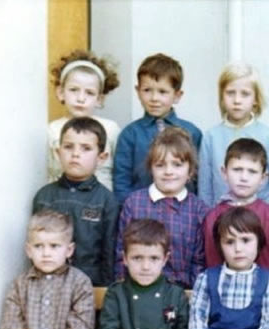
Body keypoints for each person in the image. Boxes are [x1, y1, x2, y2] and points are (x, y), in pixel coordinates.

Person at [115, 127, 208, 289]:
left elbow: (199, 262)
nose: (168, 172)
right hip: (138, 292)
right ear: (151, 168)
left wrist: (191, 295)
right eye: (160, 165)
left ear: (190, 171)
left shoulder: (199, 209)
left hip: (181, 294)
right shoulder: (134, 203)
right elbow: (120, 254)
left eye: (177, 165)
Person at [34, 117, 119, 286]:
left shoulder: (107, 200)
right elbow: (35, 246)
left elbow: (109, 252)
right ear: (58, 153)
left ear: (101, 157)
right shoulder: (44, 196)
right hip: (49, 284)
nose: (75, 154)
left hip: (90, 285)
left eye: (86, 148)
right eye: (68, 147)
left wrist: (105, 290)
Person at [114, 53, 202, 202]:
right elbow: (121, 180)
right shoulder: (130, 134)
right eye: (147, 90)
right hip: (141, 213)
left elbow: (198, 180)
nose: (154, 98)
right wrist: (129, 210)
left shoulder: (192, 132)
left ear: (177, 95)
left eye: (162, 92)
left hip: (182, 212)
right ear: (138, 91)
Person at [202, 138, 269, 279]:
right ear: (224, 173)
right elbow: (212, 264)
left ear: (263, 178)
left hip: (264, 294)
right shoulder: (212, 217)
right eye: (237, 170)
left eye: (252, 172)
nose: (244, 177)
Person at [198, 63, 269, 207]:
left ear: (256, 100)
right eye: (230, 93)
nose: (237, 101)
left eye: (245, 94)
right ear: (222, 97)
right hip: (221, 217)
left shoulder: (268, 136)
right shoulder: (211, 137)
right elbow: (205, 186)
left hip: (257, 219)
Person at [48, 49, 120, 190]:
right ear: (61, 93)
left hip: (101, 203)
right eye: (74, 90)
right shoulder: (52, 130)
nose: (81, 98)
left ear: (99, 99)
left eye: (89, 92)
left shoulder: (111, 129)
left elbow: (120, 172)